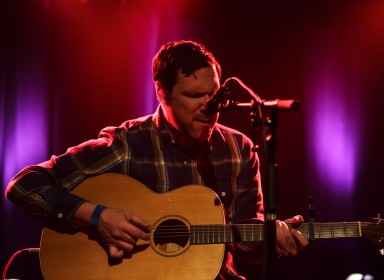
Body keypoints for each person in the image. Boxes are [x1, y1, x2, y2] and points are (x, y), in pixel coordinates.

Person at [5, 40, 308, 279]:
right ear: (162, 93)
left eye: (214, 96)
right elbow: (24, 185)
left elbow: (244, 242)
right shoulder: (127, 144)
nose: (209, 107)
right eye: (193, 96)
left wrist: (274, 240)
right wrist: (98, 217)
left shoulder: (238, 149)